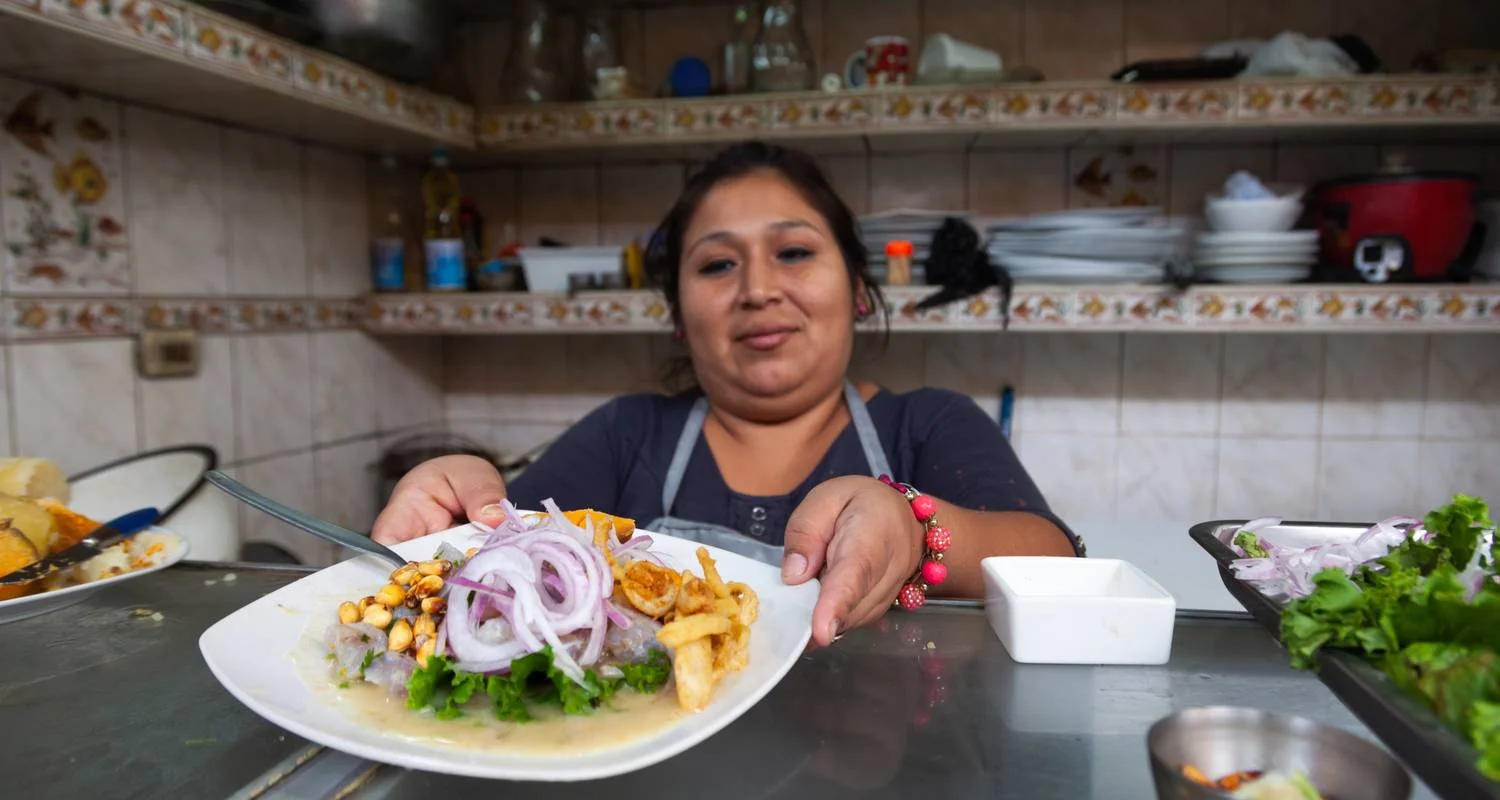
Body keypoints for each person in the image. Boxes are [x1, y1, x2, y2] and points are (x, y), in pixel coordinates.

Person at [372, 141, 1080, 648]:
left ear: (859, 290)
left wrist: (916, 530)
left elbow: (1060, 567)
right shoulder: (627, 436)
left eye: (794, 252)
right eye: (717, 265)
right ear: (680, 317)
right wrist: (457, 518)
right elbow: (501, 560)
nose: (759, 289)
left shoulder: (926, 424)